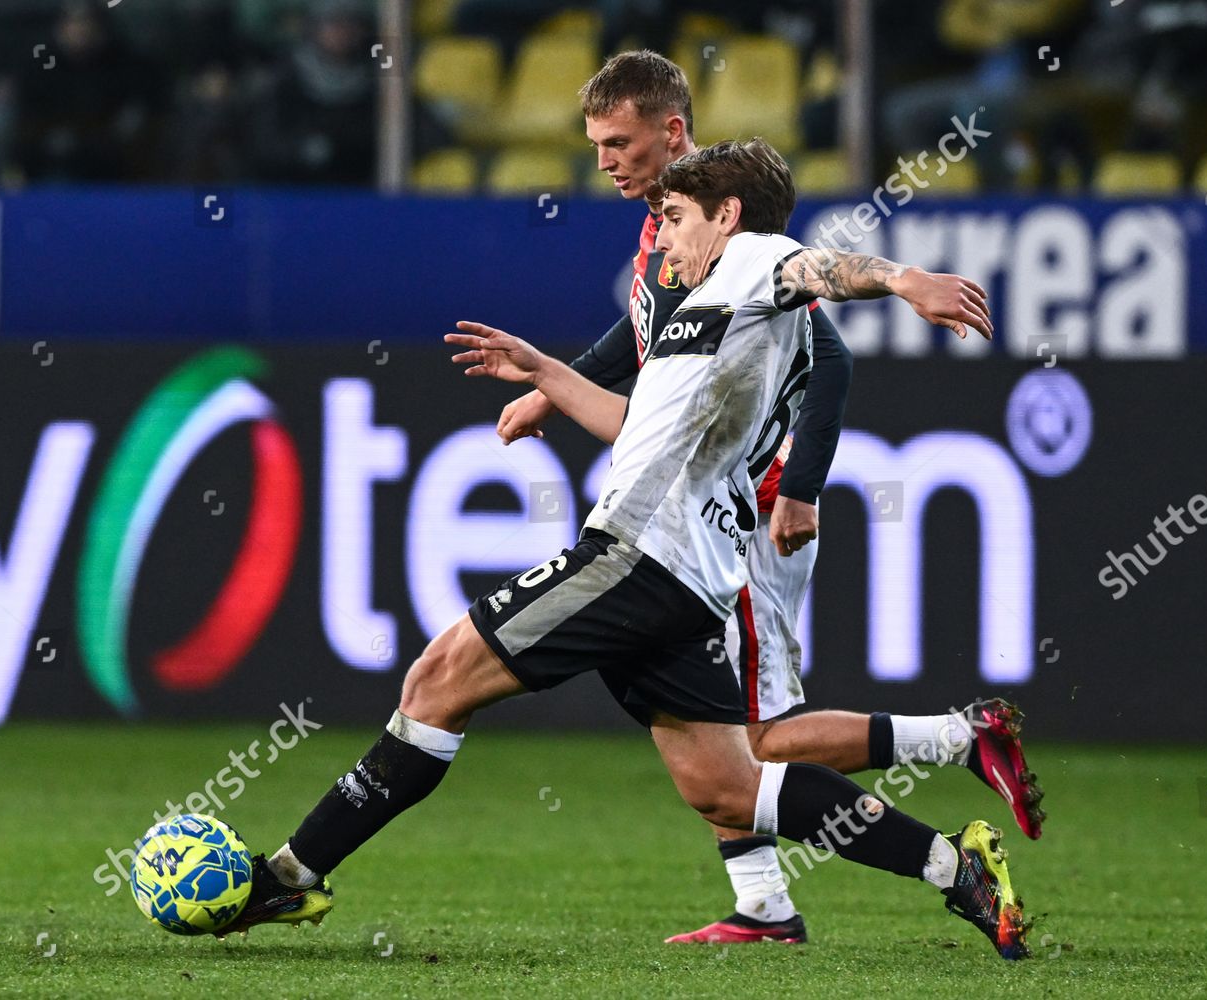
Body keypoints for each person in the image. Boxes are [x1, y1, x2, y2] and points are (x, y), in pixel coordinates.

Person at [222, 137, 1030, 961]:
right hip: (692, 580)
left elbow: (818, 268)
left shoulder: (753, 260)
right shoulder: (713, 316)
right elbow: (632, 426)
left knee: (438, 680)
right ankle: (952, 865)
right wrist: (544, 371)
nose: (663, 238)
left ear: (728, 216)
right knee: (731, 787)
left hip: (641, 552)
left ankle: (292, 873)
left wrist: (902, 280)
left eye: (675, 218)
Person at [495, 50, 1042, 944]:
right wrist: (551, 386)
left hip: (741, 508)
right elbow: (644, 338)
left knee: (755, 740)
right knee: (717, 731)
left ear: (672, 133)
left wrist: (804, 487)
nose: (604, 161)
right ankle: (766, 905)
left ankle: (958, 748)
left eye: (618, 142)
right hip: (706, 514)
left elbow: (829, 354)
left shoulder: (737, 240)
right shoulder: (667, 234)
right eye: (595, 143)